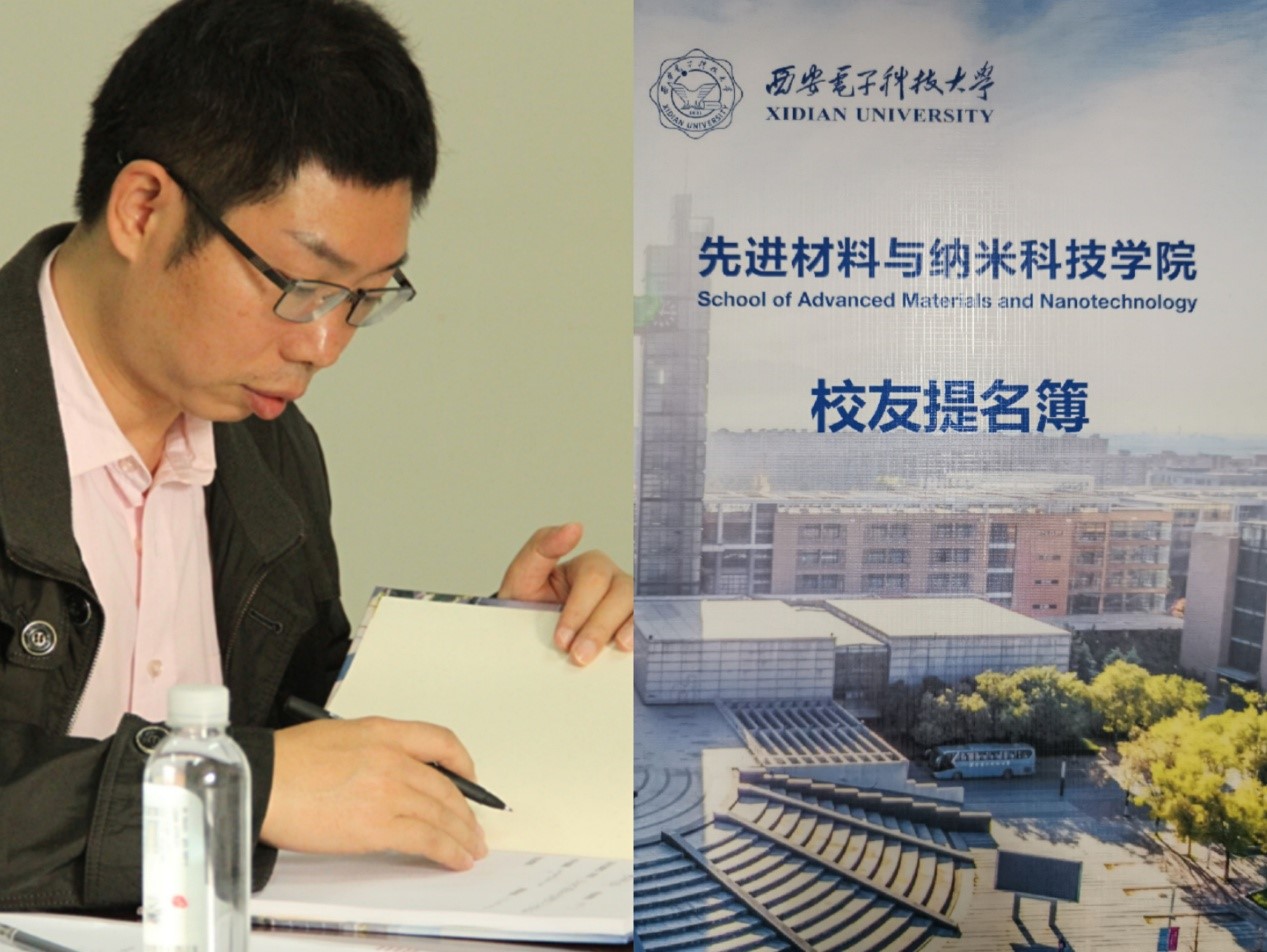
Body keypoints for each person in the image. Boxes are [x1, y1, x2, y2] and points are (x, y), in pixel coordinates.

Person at [0, 0, 632, 911]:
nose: (325, 345)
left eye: (364, 298)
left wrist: (501, 656)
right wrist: (232, 786)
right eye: (302, 286)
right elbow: (276, 774)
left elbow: (307, 732)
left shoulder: (269, 452)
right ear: (143, 209)